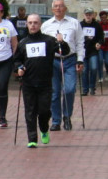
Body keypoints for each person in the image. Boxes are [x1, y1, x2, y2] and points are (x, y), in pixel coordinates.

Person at [14, 14, 70, 148]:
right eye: (30, 23)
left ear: (40, 25)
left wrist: (62, 42)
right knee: (30, 111)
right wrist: (19, 68)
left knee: (44, 111)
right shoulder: (23, 42)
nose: (33, 25)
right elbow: (16, 60)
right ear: (27, 24)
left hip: (45, 82)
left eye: (35, 23)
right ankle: (32, 138)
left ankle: (44, 129)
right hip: (28, 82)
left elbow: (65, 51)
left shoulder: (49, 41)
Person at [41, 0, 85, 131]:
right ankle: (56, 120)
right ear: (52, 9)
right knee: (54, 92)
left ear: (65, 8)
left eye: (61, 6)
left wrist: (80, 59)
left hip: (70, 59)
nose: (58, 8)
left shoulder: (74, 23)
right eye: (56, 6)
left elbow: (80, 42)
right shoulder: (46, 25)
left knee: (69, 89)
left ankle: (67, 116)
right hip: (53, 61)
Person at [80, 8, 102, 95]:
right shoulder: (80, 25)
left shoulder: (97, 25)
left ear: (92, 15)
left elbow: (101, 37)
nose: (88, 16)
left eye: (90, 14)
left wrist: (99, 43)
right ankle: (85, 89)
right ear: (84, 15)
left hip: (93, 51)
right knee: (85, 70)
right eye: (87, 14)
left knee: (93, 68)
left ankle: (92, 87)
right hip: (83, 50)